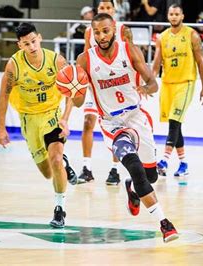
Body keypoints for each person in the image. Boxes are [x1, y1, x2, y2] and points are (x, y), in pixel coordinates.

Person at [73, 13, 179, 243]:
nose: (101, 36)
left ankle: (132, 188)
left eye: (106, 31)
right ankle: (165, 223)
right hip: (112, 124)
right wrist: (74, 90)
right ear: (92, 34)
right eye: (97, 32)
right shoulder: (84, 60)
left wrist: (145, 88)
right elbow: (77, 102)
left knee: (150, 175)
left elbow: (153, 82)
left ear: (114, 30)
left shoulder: (129, 50)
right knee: (134, 167)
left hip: (136, 117)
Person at [0, 23, 77, 228]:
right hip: (29, 118)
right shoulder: (14, 65)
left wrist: (66, 118)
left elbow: (72, 91)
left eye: (33, 41)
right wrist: (2, 128)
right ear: (19, 45)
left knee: (56, 159)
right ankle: (65, 165)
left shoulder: (56, 61)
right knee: (48, 172)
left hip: (52, 114)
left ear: (39, 38)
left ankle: (59, 209)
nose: (31, 46)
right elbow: (3, 96)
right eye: (26, 44)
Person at [79, 0, 135, 186]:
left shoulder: (123, 30)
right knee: (88, 122)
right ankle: (86, 167)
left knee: (117, 128)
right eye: (102, 8)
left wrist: (136, 84)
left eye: (108, 8)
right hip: (96, 83)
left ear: (114, 10)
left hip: (115, 86)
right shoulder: (90, 31)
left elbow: (132, 57)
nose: (105, 10)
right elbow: (86, 56)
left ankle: (115, 170)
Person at [152, 4, 203, 184]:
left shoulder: (191, 35)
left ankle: (164, 161)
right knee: (175, 123)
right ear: (168, 16)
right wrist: (149, 83)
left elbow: (200, 61)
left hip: (186, 83)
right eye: (171, 14)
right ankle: (183, 163)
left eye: (177, 14)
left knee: (174, 123)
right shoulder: (162, 37)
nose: (174, 17)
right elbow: (156, 63)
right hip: (168, 84)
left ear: (182, 16)